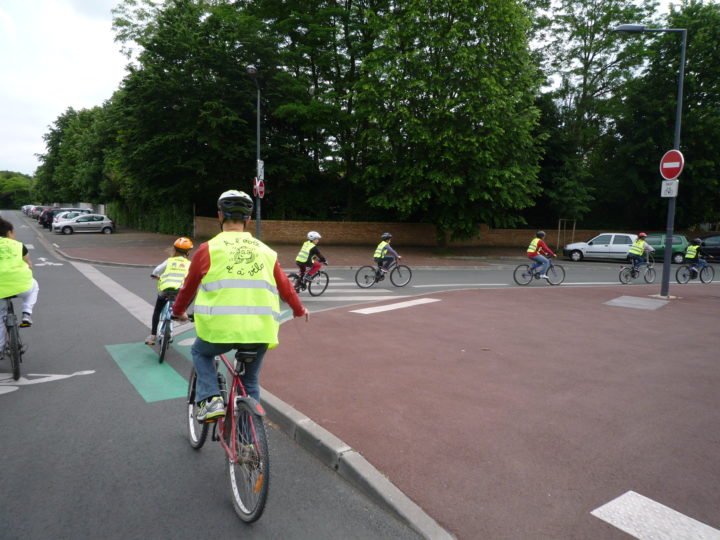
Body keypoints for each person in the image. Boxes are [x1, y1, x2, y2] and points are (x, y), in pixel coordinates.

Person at [173, 190, 309, 422]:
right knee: (250, 383)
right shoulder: (266, 251)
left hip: (219, 332)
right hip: (260, 331)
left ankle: (210, 399)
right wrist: (298, 309)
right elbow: (285, 285)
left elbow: (189, 287)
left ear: (219, 216)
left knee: (199, 352)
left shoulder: (209, 249)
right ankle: (248, 445)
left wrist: (178, 312)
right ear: (248, 220)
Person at [0, 216, 39, 353]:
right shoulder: (18, 245)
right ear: (9, 233)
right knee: (34, 285)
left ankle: (0, 349)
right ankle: (26, 313)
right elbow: (28, 263)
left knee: (0, 319)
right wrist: (28, 267)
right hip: (21, 286)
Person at [145, 237, 193, 346]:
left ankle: (153, 335)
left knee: (157, 310)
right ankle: (182, 311)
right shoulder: (189, 264)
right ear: (188, 252)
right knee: (191, 294)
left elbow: (157, 270)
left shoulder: (169, 261)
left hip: (166, 289)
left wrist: (156, 276)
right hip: (179, 291)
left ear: (174, 250)